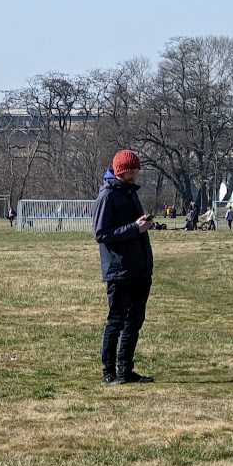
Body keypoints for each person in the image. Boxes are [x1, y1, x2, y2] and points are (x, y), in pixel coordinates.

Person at [94, 150, 155, 385]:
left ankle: (125, 370)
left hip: (139, 268)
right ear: (121, 172)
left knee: (134, 322)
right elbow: (101, 233)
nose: (135, 176)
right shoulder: (107, 196)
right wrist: (133, 229)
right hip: (119, 270)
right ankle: (108, 372)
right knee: (116, 321)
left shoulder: (130, 193)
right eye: (131, 173)